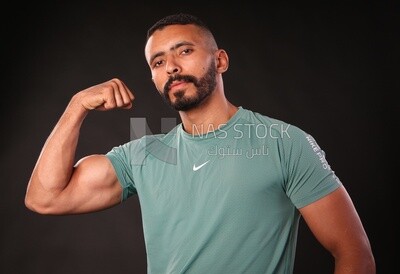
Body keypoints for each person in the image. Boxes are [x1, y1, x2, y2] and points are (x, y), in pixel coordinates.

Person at [25, 13, 375, 274]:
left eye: (185, 51)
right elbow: (45, 198)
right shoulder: (146, 154)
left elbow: (354, 252)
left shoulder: (284, 142)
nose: (172, 68)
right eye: (158, 62)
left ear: (219, 60)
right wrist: (77, 106)